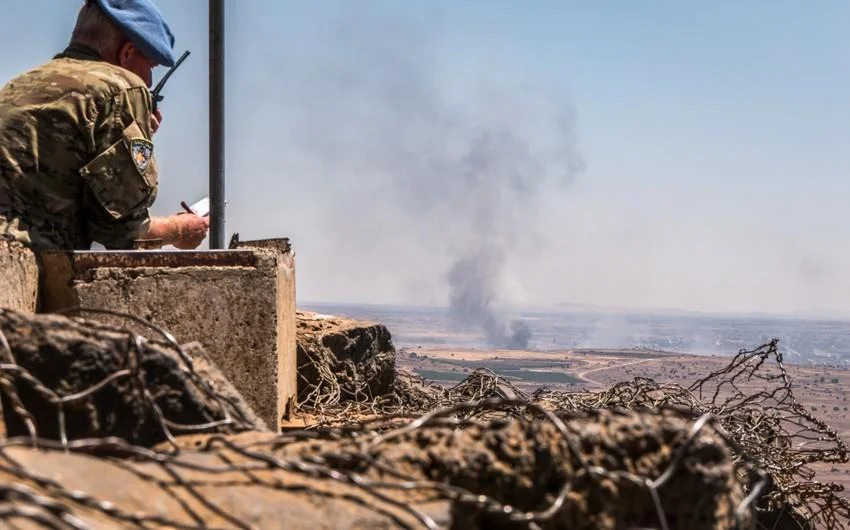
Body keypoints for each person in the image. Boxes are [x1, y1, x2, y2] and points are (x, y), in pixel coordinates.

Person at [0, 0, 208, 252]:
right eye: (150, 67)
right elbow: (123, 232)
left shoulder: (19, 84)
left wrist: (128, 135)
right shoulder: (122, 87)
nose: (149, 80)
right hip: (28, 271)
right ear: (127, 53)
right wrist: (180, 230)